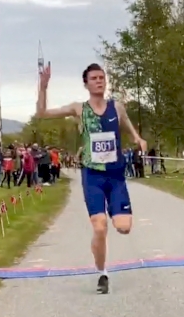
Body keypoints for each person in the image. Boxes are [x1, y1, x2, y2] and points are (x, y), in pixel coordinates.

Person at [35, 62, 147, 294]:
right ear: (86, 84)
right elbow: (43, 113)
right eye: (94, 78)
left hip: (115, 175)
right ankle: (102, 272)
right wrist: (43, 87)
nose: (99, 81)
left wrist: (137, 137)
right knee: (99, 227)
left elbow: (125, 123)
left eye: (102, 77)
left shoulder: (117, 107)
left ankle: (114, 215)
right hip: (92, 175)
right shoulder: (79, 109)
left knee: (124, 227)